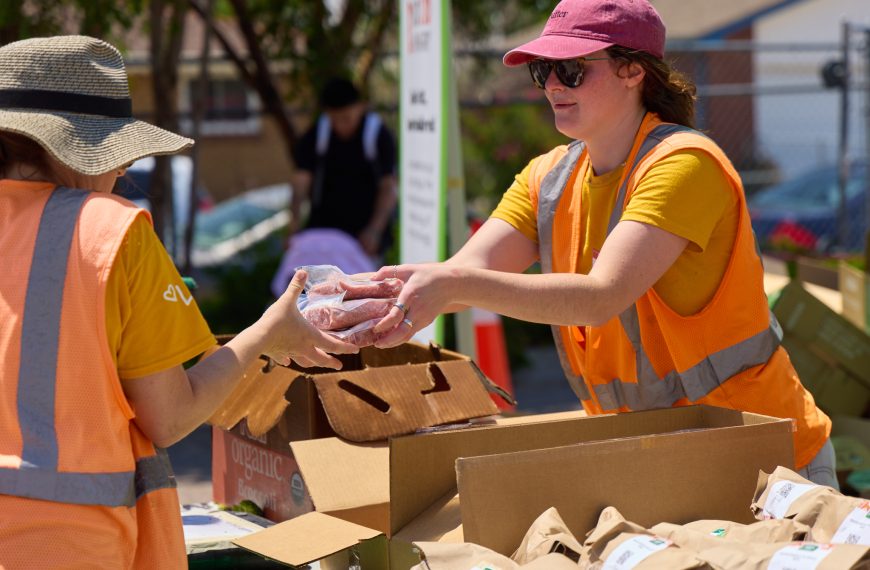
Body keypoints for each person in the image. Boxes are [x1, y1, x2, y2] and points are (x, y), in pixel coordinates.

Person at [371, 0, 835, 486]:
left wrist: (447, 285)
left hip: (767, 458)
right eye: (543, 69)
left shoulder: (684, 164)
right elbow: (463, 272)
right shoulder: (546, 177)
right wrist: (360, 299)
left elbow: (599, 297)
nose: (552, 85)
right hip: (661, 461)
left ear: (633, 70)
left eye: (571, 69)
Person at [0, 36, 356, 569]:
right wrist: (269, 332)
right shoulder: (111, 231)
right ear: (65, 149)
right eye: (115, 155)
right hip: (72, 546)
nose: (121, 173)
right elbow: (169, 416)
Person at [290, 77, 398, 259]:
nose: (340, 125)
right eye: (334, 119)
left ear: (361, 107)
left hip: (365, 239)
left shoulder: (378, 135)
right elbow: (301, 181)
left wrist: (375, 230)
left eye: (346, 118)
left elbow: (389, 186)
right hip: (324, 234)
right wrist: (294, 225)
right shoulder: (317, 134)